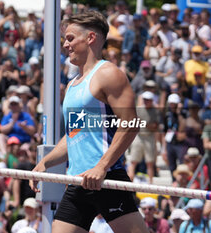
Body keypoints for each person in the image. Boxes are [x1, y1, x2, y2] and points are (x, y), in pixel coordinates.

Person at [29, 10, 149, 233]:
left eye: (71, 38)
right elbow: (75, 133)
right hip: (78, 181)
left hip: (106, 178)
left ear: (91, 38)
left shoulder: (108, 74)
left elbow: (130, 123)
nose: (66, 45)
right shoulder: (74, 84)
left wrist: (101, 167)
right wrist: (45, 162)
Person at [128, 91, 160, 184]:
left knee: (149, 162)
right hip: (138, 136)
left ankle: (150, 183)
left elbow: (155, 126)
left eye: (148, 100)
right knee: (133, 160)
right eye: (145, 99)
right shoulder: (138, 109)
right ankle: (130, 181)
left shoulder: (155, 111)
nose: (146, 101)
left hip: (149, 137)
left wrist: (143, 123)